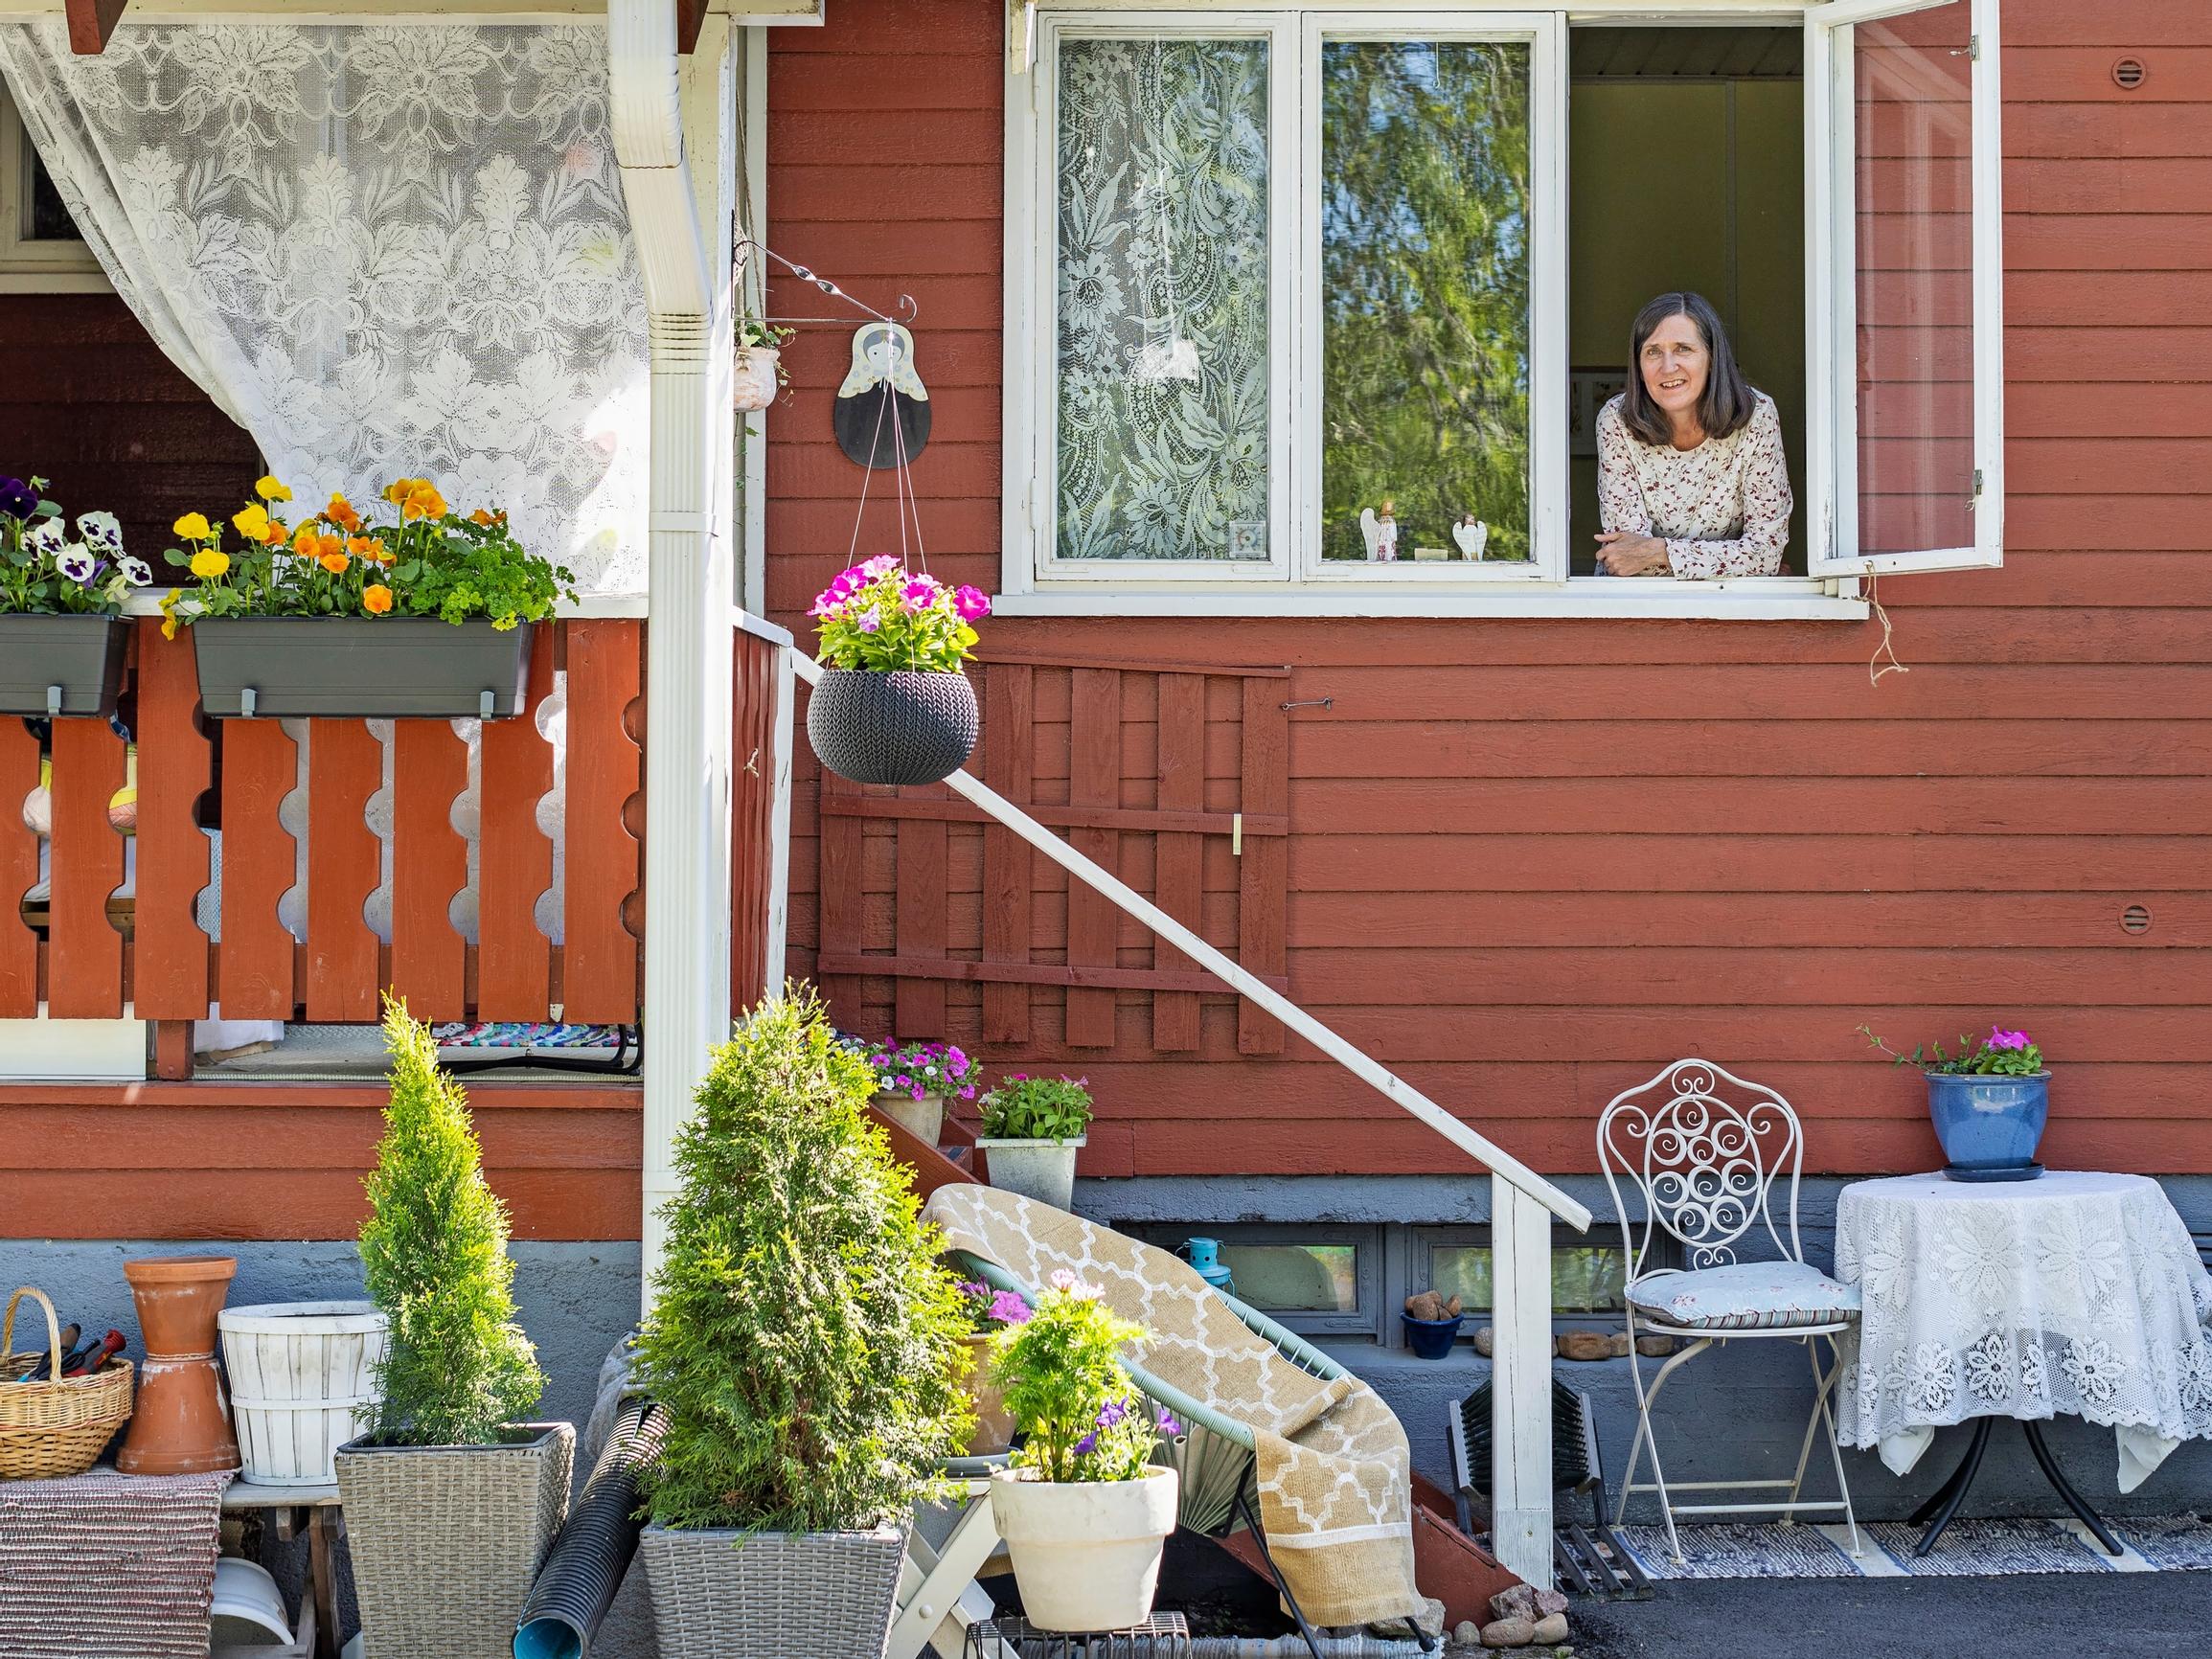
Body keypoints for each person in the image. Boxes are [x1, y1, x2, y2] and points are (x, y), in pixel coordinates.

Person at [1594, 291, 1791, 579]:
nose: (1668, 366)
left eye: (1683, 349)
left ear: (1712, 358)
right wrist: (1729, 560)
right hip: (1636, 605)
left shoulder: (1757, 416)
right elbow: (1626, 562)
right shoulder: (1617, 421)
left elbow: (1765, 555)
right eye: (1653, 351)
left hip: (1729, 605)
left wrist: (1657, 551)